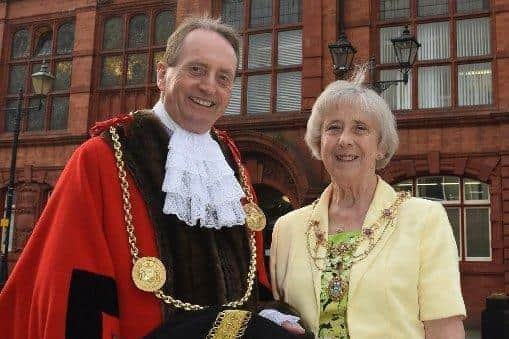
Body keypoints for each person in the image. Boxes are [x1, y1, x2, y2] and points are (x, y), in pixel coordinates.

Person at [0, 16, 303, 339]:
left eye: (223, 77)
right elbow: (75, 289)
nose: (209, 87)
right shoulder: (103, 157)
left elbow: (251, 284)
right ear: (162, 74)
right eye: (196, 69)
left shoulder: (232, 171)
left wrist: (269, 315)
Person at [270, 71, 466, 339]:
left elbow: (445, 329)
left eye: (360, 128)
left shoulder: (425, 220)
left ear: (381, 147)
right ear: (319, 142)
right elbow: (282, 320)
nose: (344, 140)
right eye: (333, 128)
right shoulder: (288, 229)